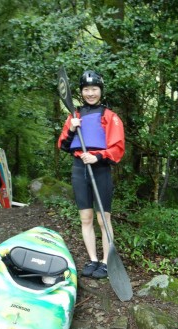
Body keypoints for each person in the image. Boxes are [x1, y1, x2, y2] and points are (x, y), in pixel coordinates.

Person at [57, 70, 125, 279]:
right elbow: (63, 145)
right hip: (79, 169)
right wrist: (71, 129)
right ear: (81, 92)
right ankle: (93, 259)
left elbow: (117, 148)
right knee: (85, 218)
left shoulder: (110, 117)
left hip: (100, 169)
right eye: (86, 89)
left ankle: (106, 262)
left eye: (94, 89)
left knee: (103, 218)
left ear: (100, 91)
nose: (90, 93)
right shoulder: (74, 116)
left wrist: (97, 157)